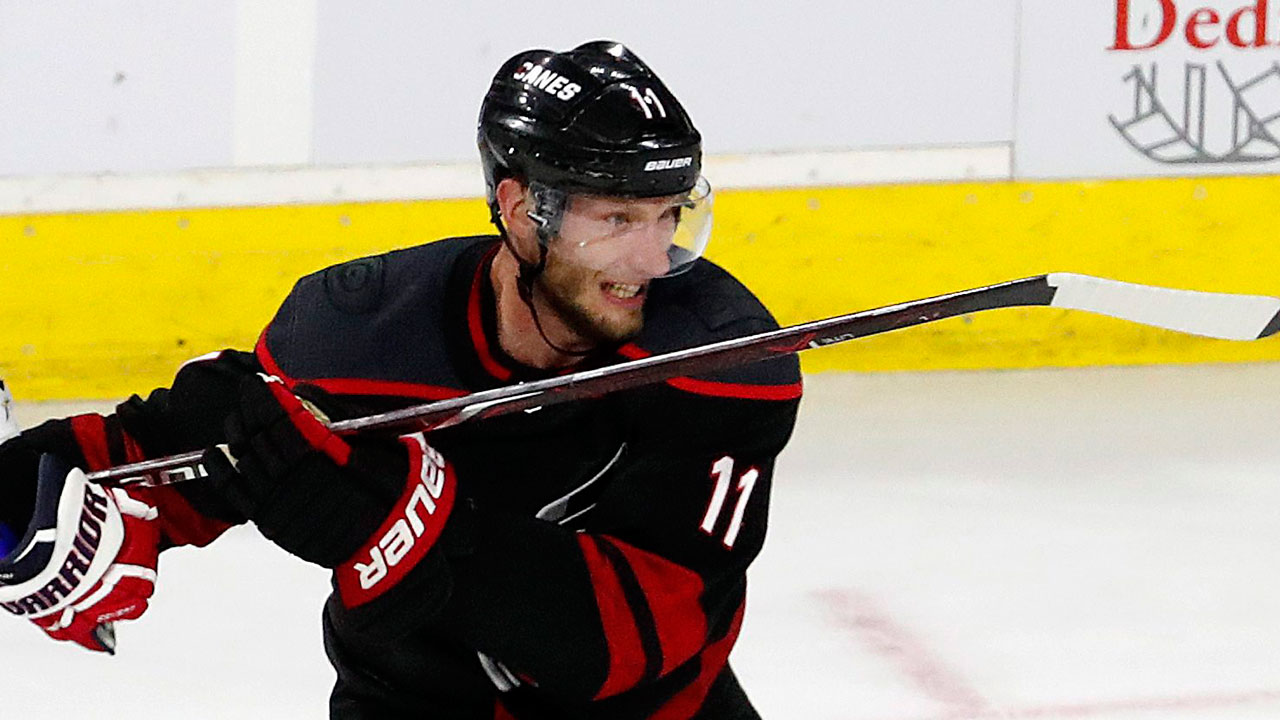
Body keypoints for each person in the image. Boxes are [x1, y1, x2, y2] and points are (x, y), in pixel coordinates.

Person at [0, 40, 802, 719]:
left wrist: (394, 525)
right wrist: (19, 505)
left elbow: (642, 634)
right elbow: (194, 452)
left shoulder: (721, 362)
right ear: (524, 211)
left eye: (669, 215)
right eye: (618, 220)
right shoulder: (361, 335)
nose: (653, 257)